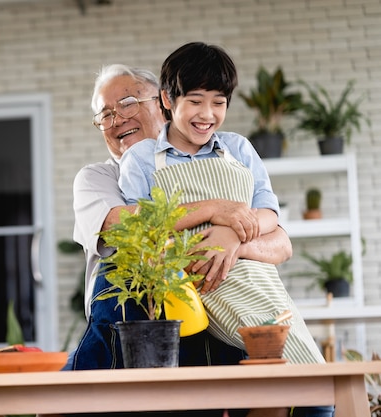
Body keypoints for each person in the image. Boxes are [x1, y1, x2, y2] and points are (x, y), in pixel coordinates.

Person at [66, 63, 294, 417]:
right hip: (132, 339)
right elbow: (124, 229)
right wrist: (216, 210)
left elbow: (281, 242)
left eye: (127, 103)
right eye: (104, 115)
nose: (117, 119)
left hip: (218, 319)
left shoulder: (223, 155)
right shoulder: (97, 177)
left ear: (162, 103)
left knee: (292, 393)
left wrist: (232, 241)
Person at [117, 43, 333, 417]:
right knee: (309, 390)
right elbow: (144, 224)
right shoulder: (142, 158)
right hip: (207, 290)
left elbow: (269, 215)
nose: (207, 114)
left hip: (262, 281)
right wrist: (218, 213)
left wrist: (232, 235)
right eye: (196, 101)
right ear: (168, 99)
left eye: (218, 102)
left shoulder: (238, 149)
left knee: (303, 388)